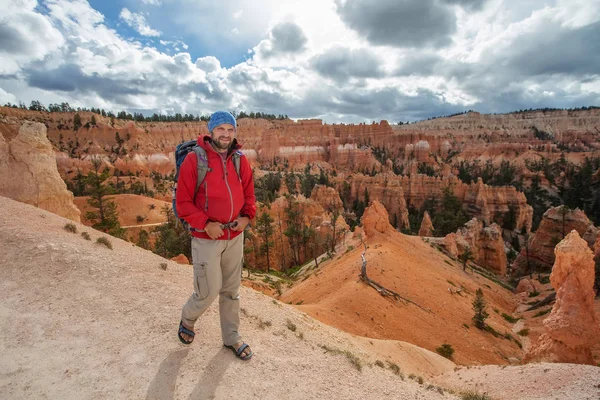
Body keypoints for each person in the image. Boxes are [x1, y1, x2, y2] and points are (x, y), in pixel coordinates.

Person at [176, 110, 256, 361]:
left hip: (234, 236)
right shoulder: (194, 160)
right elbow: (183, 203)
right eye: (221, 129)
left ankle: (231, 337)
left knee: (231, 290)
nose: (226, 134)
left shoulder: (239, 159)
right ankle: (188, 319)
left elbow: (249, 193)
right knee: (208, 291)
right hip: (206, 238)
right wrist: (206, 224)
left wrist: (247, 217)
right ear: (211, 131)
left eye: (230, 129)